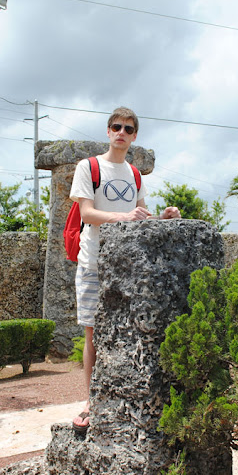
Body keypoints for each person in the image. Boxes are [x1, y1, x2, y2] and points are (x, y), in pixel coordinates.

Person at [69, 106, 180, 433]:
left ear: (134, 136)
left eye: (128, 129)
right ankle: (90, 400)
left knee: (132, 328)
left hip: (128, 266)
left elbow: (139, 216)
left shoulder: (134, 175)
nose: (121, 132)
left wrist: (162, 218)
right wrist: (123, 217)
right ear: (108, 131)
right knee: (92, 331)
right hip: (93, 262)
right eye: (116, 126)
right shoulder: (88, 167)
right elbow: (87, 214)